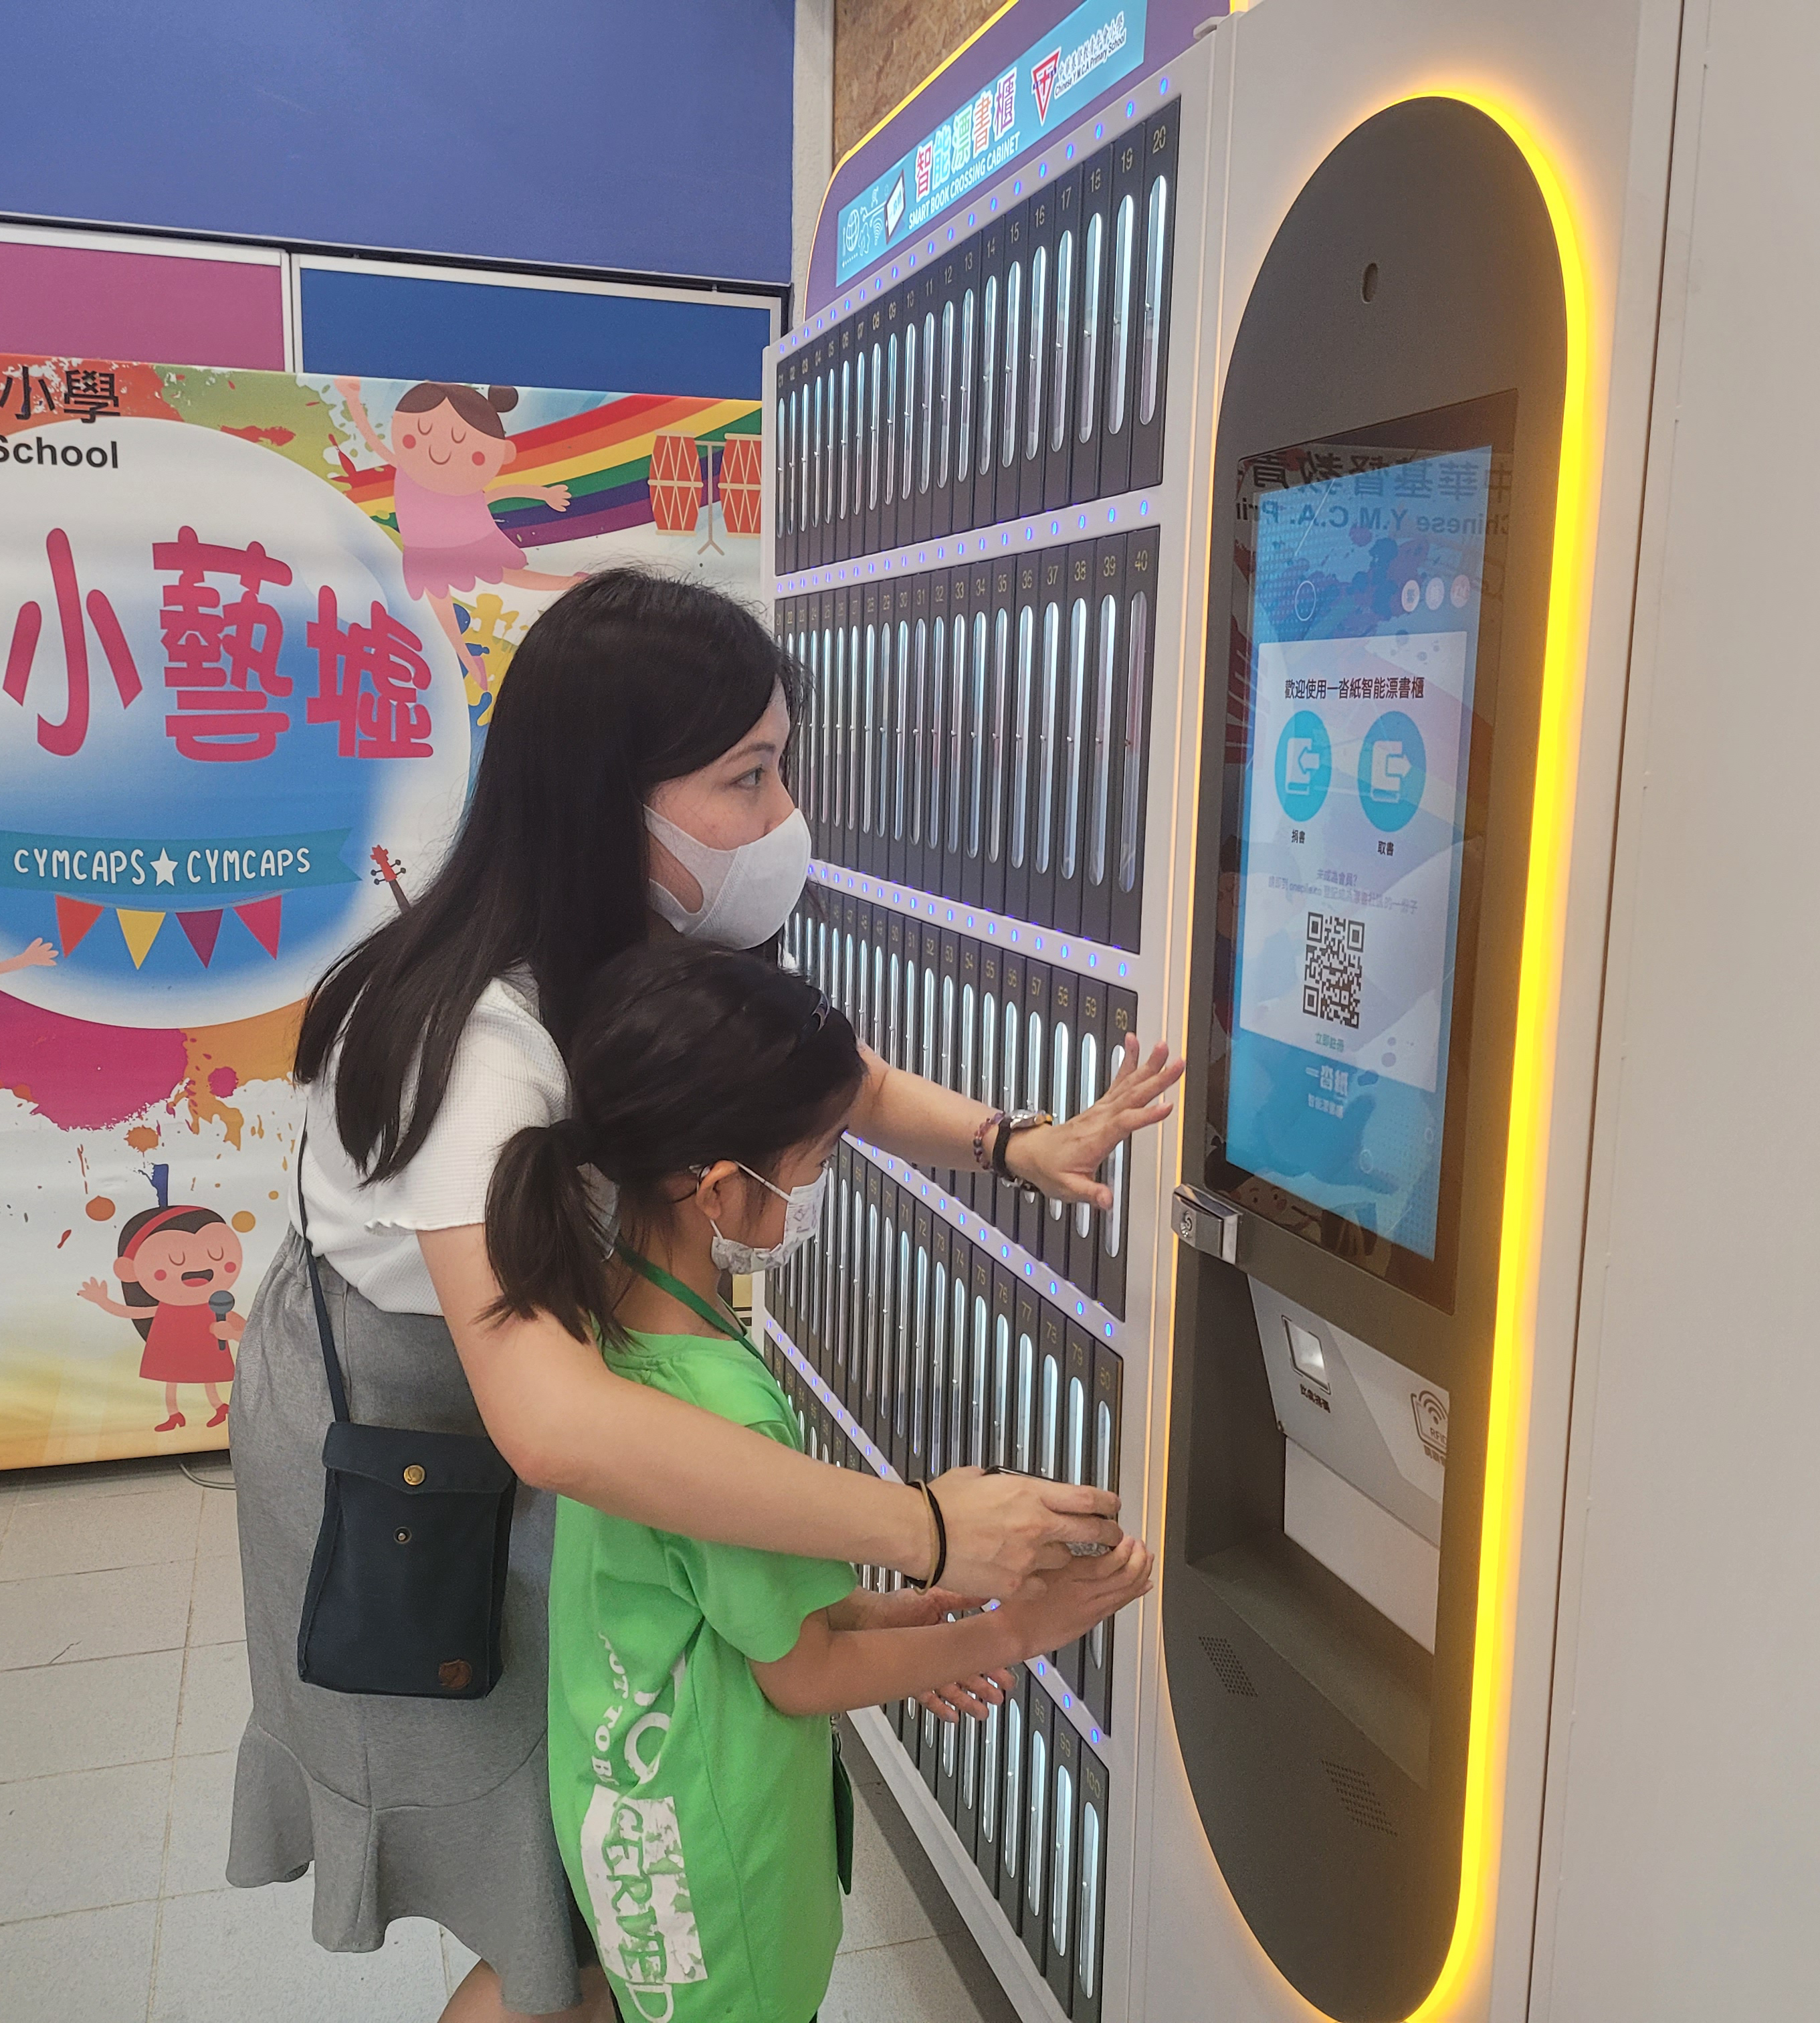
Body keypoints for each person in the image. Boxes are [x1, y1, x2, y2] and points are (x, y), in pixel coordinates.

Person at [227, 569, 1181, 2023]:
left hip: (560, 1438)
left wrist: (1013, 1143)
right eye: (745, 777)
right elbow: (551, 1421)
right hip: (412, 1450)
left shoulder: (644, 945)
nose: (778, 816)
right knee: (555, 1895)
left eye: (781, 765)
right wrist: (927, 1531)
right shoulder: (477, 1047)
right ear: (614, 793)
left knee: (606, 1876)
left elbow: (814, 1072)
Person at [486, 940, 1154, 2023]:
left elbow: (723, 1599)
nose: (819, 1185)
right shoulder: (720, 1398)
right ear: (715, 1187)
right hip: (718, 1864)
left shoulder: (605, 1314)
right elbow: (796, 1673)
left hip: (633, 1802)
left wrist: (899, 1614)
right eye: (817, 1157)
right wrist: (1017, 1627)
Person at [333, 377, 585, 672]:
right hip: (426, 552)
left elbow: (499, 495)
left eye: (465, 447)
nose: (438, 453)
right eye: (420, 434)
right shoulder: (407, 468)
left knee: (510, 575)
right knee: (441, 608)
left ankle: (569, 583)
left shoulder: (467, 490)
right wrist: (352, 400)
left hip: (473, 542)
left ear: (502, 454)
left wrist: (544, 494)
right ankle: (466, 659)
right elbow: (373, 442)